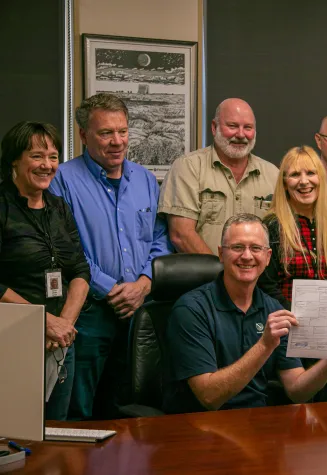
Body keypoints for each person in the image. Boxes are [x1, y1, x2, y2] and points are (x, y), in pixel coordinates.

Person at [162, 214, 327, 413]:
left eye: (256, 248)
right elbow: (209, 397)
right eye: (237, 247)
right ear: (221, 254)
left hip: (257, 425)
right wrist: (264, 345)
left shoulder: (273, 309)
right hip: (198, 428)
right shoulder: (191, 309)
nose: (247, 256)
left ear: (268, 257)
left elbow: (297, 390)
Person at [49, 93, 173, 420]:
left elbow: (159, 237)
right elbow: (65, 248)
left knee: (127, 409)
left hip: (139, 312)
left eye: (123, 131)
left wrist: (144, 283)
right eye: (106, 133)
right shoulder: (61, 180)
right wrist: (111, 288)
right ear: (84, 135)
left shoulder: (145, 179)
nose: (117, 141)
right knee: (81, 409)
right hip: (89, 313)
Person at [0, 121, 90, 420]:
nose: (47, 165)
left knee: (56, 433)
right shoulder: (3, 206)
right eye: (37, 156)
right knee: (15, 431)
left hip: (61, 342)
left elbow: (80, 270)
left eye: (53, 157)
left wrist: (62, 325)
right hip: (13, 338)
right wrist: (41, 322)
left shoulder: (59, 208)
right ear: (15, 159)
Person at [257, 146, 327, 401]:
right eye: (295, 174)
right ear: (284, 183)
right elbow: (268, 287)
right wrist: (306, 322)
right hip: (290, 336)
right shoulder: (271, 226)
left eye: (311, 173)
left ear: (321, 178)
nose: (304, 181)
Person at [159, 98, 280, 254]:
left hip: (260, 278)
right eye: (232, 126)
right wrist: (221, 275)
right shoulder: (188, 168)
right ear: (214, 127)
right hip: (204, 278)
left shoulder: (273, 175)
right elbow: (181, 235)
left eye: (248, 127)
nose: (241, 134)